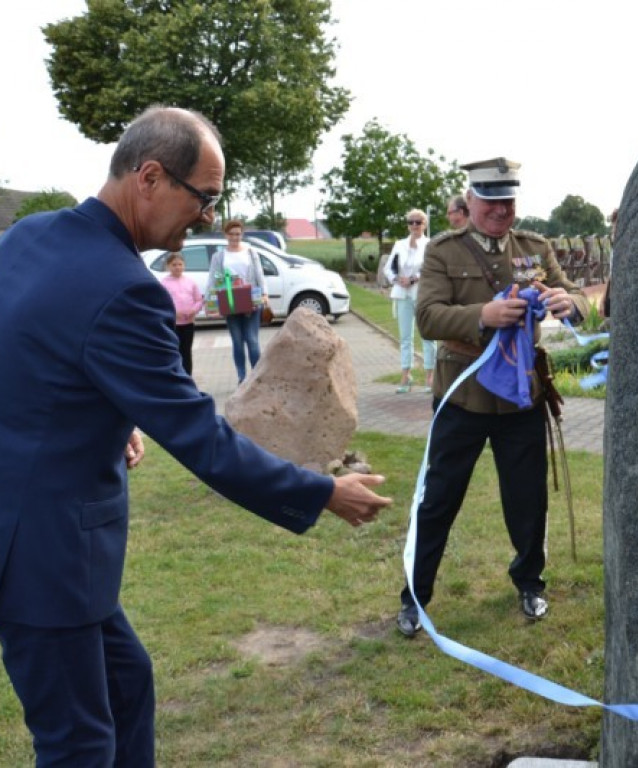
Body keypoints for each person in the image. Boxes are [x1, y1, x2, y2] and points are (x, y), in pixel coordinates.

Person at [0, 105, 392, 766]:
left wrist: (100, 416)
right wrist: (321, 491)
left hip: (41, 539)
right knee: (78, 743)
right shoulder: (128, 291)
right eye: (203, 197)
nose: (208, 216)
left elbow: (36, 351)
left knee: (128, 688)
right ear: (149, 177)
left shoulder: (30, 236)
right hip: (44, 552)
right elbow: (203, 438)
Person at [396, 158, 590, 637]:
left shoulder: (534, 247)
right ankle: (414, 597)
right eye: (490, 201)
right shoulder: (443, 251)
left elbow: (573, 293)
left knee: (527, 499)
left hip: (521, 397)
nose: (501, 211)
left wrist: (572, 305)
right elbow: (429, 317)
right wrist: (484, 313)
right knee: (438, 500)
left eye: (508, 201)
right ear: (471, 201)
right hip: (463, 396)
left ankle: (530, 584)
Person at [381, 208, 436, 393]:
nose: (414, 225)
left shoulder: (429, 244)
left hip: (421, 294)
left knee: (428, 336)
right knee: (405, 338)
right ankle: (406, 376)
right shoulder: (399, 244)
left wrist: (413, 279)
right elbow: (388, 269)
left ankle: (430, 377)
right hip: (402, 294)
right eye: (411, 222)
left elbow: (431, 268)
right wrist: (397, 279)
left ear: (424, 225)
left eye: (418, 222)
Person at [207, 218, 267, 383]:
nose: (235, 237)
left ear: (242, 234)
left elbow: (259, 274)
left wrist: (265, 294)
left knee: (252, 340)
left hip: (251, 301)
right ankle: (242, 376)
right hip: (230, 302)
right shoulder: (219, 256)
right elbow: (213, 279)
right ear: (226, 235)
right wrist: (210, 302)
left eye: (238, 234)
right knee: (237, 341)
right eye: (231, 234)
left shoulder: (250, 252)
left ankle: (257, 376)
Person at [160, 251, 204, 374]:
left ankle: (188, 377)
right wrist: (174, 312)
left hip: (189, 323)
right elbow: (162, 303)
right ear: (168, 266)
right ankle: (176, 376)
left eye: (180, 264)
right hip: (173, 324)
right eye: (174, 265)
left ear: (184, 265)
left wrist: (193, 310)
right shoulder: (164, 283)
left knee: (187, 351)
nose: (177, 267)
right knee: (175, 351)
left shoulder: (190, 282)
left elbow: (199, 300)